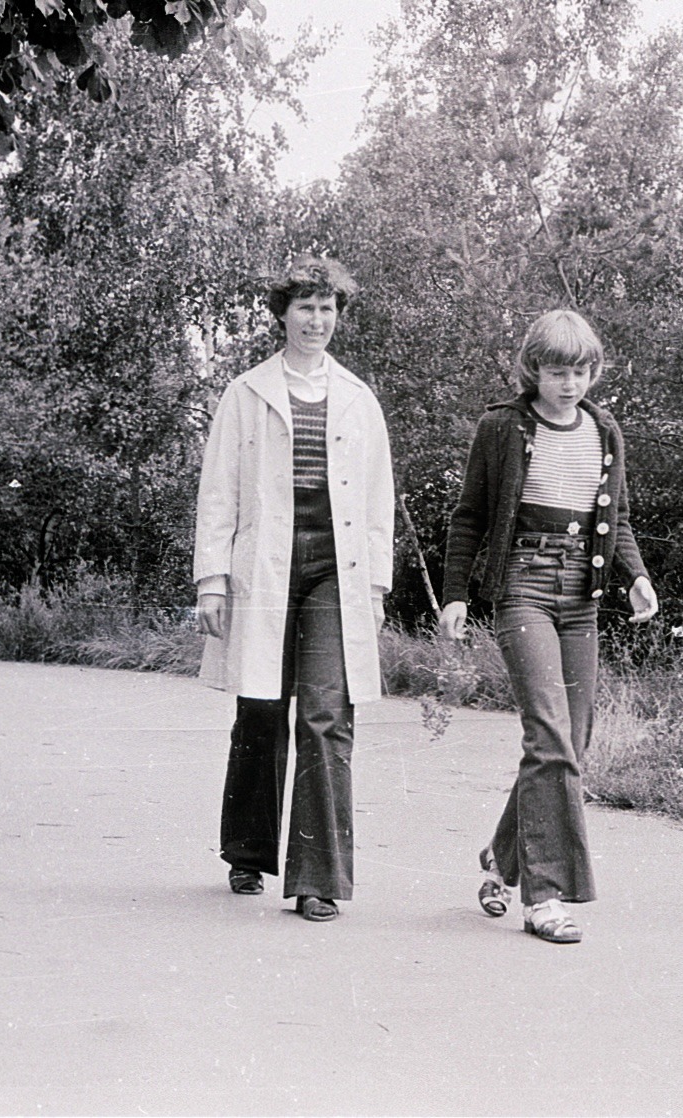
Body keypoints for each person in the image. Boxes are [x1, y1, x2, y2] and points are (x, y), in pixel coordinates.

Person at [438, 309, 659, 944]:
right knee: (549, 736)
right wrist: (455, 596)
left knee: (574, 741)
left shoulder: (604, 429)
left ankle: (501, 858)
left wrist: (635, 575)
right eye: (558, 371)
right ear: (534, 370)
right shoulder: (501, 428)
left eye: (581, 371)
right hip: (523, 588)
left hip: (581, 595)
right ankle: (544, 898)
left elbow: (617, 518)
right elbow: (469, 517)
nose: (570, 384)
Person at [192, 256, 395, 922]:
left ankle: (319, 878)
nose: (317, 320)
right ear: (282, 313)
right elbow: (219, 490)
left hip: (336, 569)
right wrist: (212, 580)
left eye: (328, 307)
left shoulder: (358, 400)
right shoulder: (246, 393)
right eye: (305, 307)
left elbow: (374, 505)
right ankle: (247, 849)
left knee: (326, 715)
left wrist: (377, 588)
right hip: (264, 566)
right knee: (259, 706)